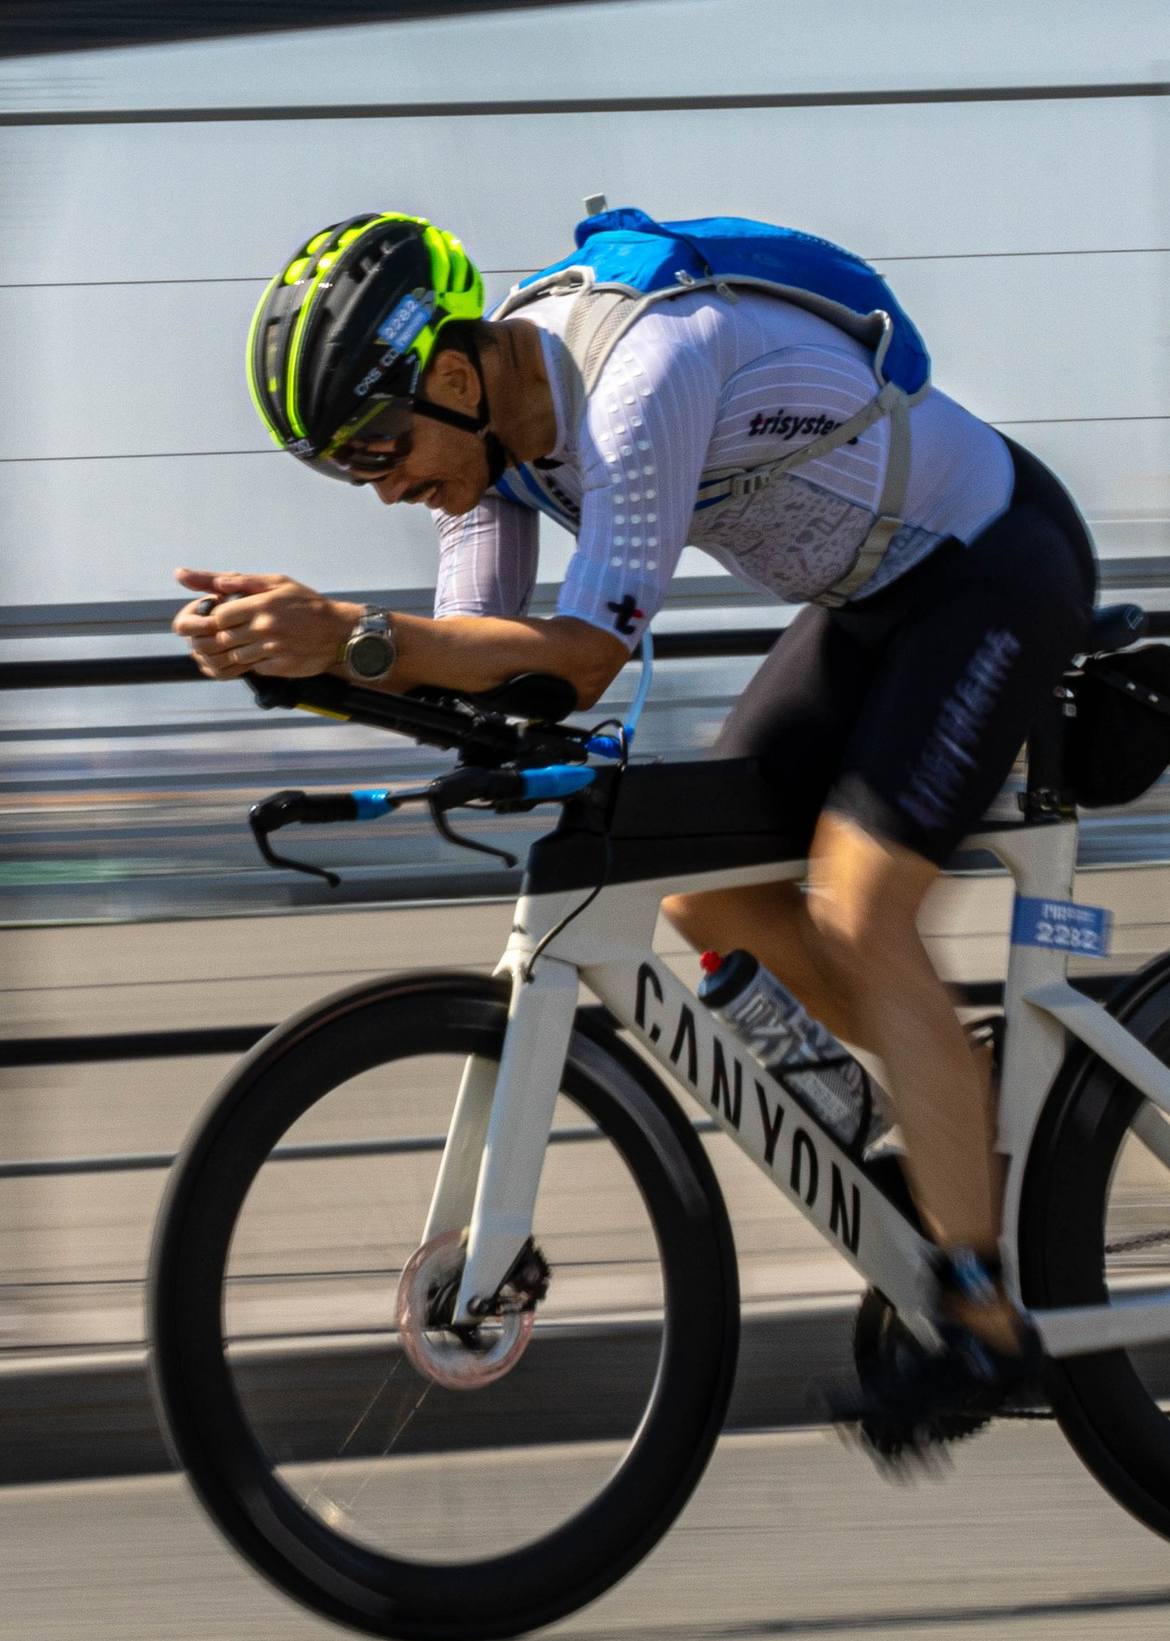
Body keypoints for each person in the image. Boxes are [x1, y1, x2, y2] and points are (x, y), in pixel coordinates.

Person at [173, 209, 1099, 1461]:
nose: (384, 482)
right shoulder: (485, 457)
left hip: (990, 570)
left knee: (859, 909)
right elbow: (485, 677)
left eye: (379, 446)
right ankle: (932, 1108)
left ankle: (983, 1317)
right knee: (707, 897)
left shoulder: (639, 378)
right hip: (867, 604)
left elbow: (584, 658)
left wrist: (351, 634)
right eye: (350, 469)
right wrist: (297, 662)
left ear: (451, 373)